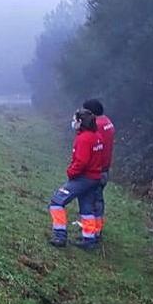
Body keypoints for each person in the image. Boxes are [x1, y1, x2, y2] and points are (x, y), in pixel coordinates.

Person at [48, 108, 106, 249]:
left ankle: (59, 236)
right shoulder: (98, 136)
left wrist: (71, 172)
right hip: (95, 178)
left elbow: (81, 162)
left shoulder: (84, 139)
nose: (73, 122)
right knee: (87, 209)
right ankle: (89, 240)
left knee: (56, 201)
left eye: (74, 120)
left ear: (80, 121)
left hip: (83, 178)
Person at [83, 99, 116, 241]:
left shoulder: (98, 125)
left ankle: (93, 233)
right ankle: (98, 229)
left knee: (91, 201)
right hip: (105, 168)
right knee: (98, 200)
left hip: (96, 169)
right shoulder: (107, 122)